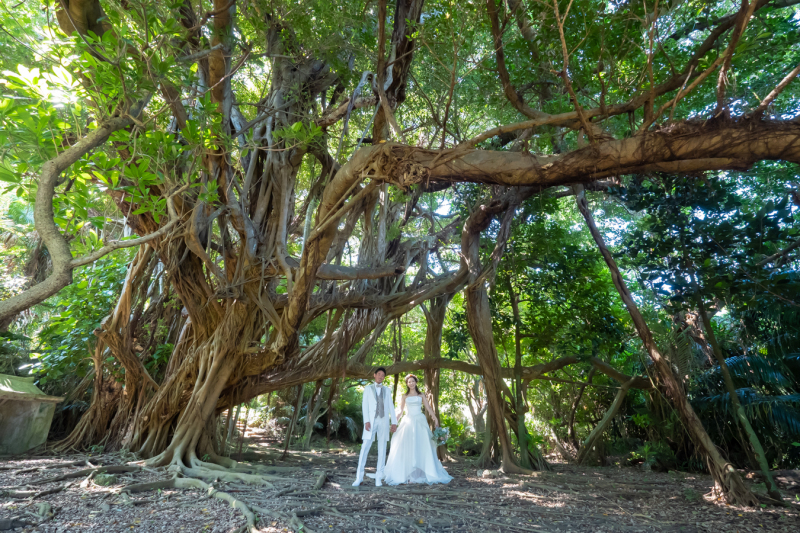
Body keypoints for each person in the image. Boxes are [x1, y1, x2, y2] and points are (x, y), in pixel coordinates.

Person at [382, 374, 453, 485]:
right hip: (408, 421)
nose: (411, 383)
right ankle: (408, 474)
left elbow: (428, 408)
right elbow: (400, 411)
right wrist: (394, 422)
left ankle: (422, 472)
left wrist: (435, 419)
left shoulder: (421, 395)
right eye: (409, 382)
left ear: (416, 382)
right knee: (408, 445)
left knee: (422, 444)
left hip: (420, 421)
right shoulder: (405, 396)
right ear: (407, 384)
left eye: (413, 381)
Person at [353, 367, 397, 487]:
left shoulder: (387, 390)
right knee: (365, 447)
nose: (380, 376)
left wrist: (394, 422)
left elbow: (391, 406)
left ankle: (379, 477)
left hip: (383, 421)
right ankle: (359, 477)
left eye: (383, 375)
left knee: (382, 449)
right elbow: (365, 405)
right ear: (374, 375)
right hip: (371, 422)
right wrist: (366, 421)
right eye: (379, 374)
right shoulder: (368, 389)